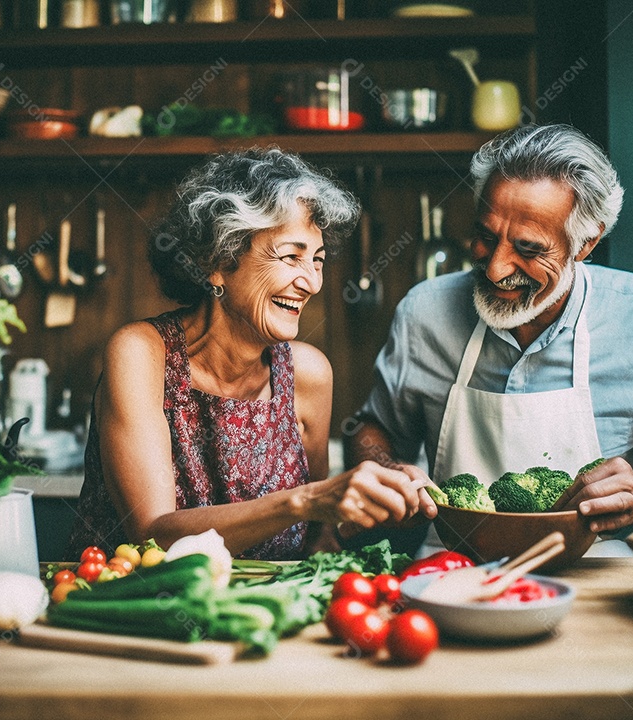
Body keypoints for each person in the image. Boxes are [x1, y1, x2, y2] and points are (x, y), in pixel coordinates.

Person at [346, 124, 633, 553]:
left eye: (528, 249)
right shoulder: (424, 313)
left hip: (595, 574)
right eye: (486, 237)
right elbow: (374, 428)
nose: (495, 270)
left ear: (586, 242)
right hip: (448, 568)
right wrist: (386, 468)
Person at [67, 148, 435, 561]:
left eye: (317, 261)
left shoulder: (308, 374)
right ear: (218, 262)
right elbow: (151, 534)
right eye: (291, 256)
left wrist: (377, 504)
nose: (311, 282)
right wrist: (306, 499)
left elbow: (317, 536)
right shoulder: (142, 354)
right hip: (125, 612)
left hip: (260, 619)